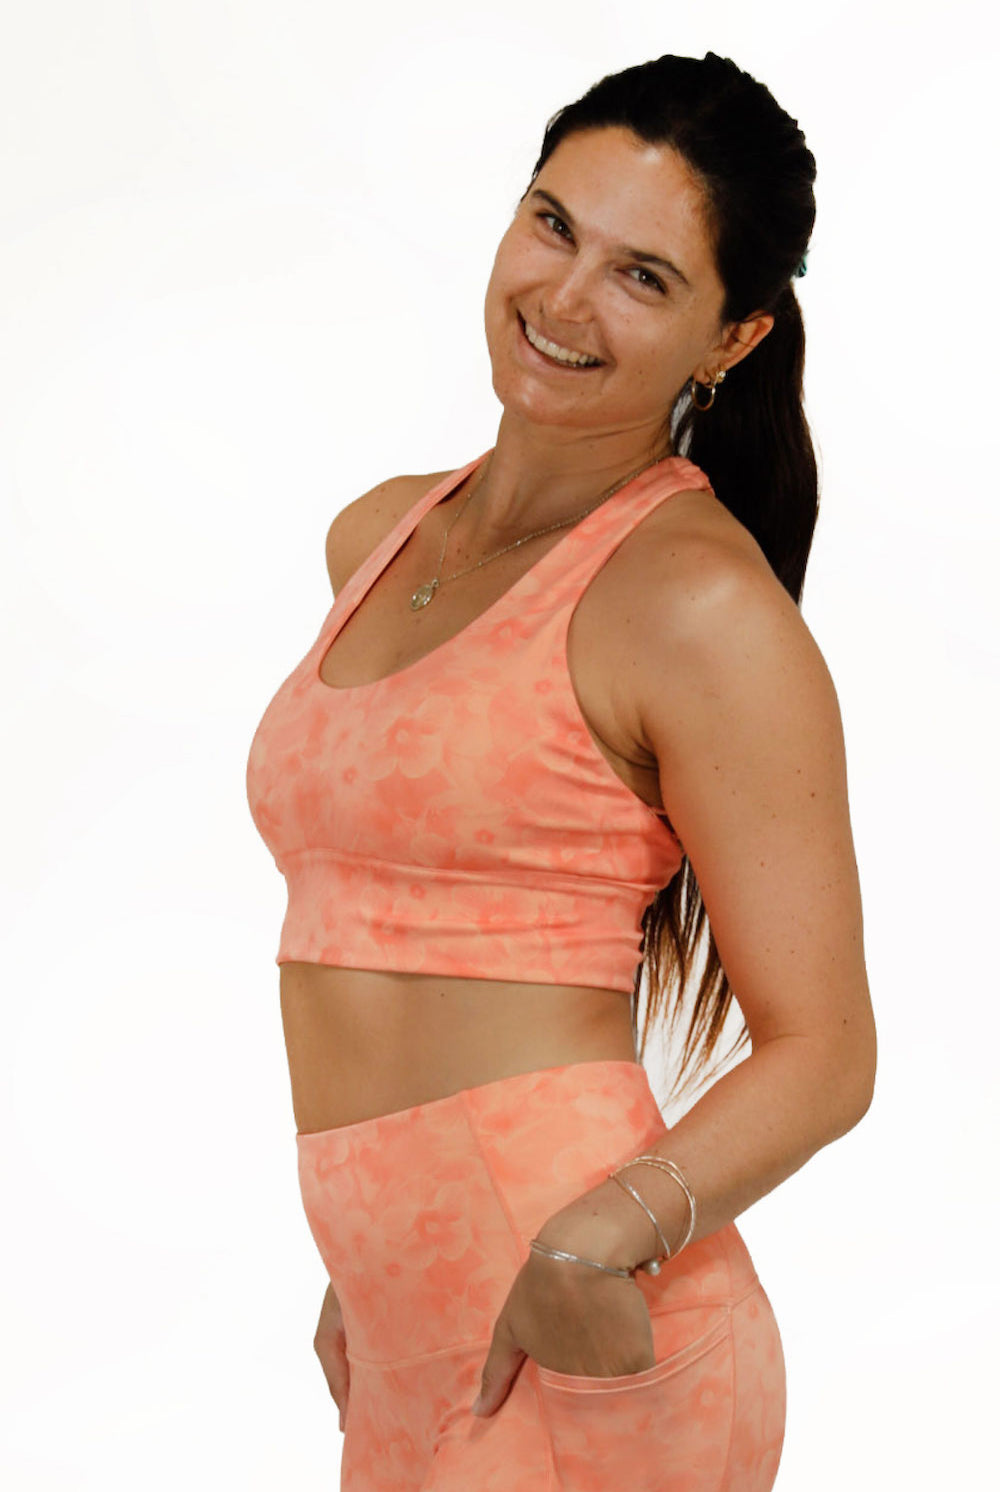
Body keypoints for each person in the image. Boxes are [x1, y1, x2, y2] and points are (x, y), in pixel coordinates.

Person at [245, 50, 876, 1492]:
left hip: (589, 1327)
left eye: (643, 277)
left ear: (733, 337)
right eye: (553, 225)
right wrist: (376, 1258)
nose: (565, 298)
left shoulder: (697, 605)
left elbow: (828, 1050)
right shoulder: (379, 539)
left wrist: (596, 1236)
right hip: (406, 1332)